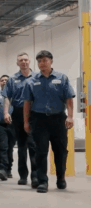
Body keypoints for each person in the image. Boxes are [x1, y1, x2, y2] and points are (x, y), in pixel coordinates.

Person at [23, 50, 76, 193]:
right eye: (39, 61)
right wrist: (26, 122)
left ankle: (61, 178)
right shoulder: (31, 81)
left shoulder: (62, 78)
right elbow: (27, 103)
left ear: (51, 61)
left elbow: (69, 99)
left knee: (60, 150)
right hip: (39, 120)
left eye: (45, 60)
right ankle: (42, 181)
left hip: (58, 119)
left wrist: (70, 116)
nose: (42, 63)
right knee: (40, 151)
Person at [3, 53, 39, 188]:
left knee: (33, 145)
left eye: (26, 60)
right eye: (21, 60)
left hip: (34, 113)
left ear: (29, 61)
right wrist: (6, 112)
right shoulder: (12, 79)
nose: (24, 62)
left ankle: (35, 176)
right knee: (21, 146)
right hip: (18, 113)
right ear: (17, 63)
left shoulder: (37, 77)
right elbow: (7, 97)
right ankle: (23, 176)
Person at [0, 75, 15, 180]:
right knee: (3, 147)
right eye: (2, 80)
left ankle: (8, 169)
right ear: (0, 82)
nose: (4, 81)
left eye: (6, 80)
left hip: (13, 125)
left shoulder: (14, 94)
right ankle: (2, 168)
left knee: (10, 148)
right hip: (0, 125)